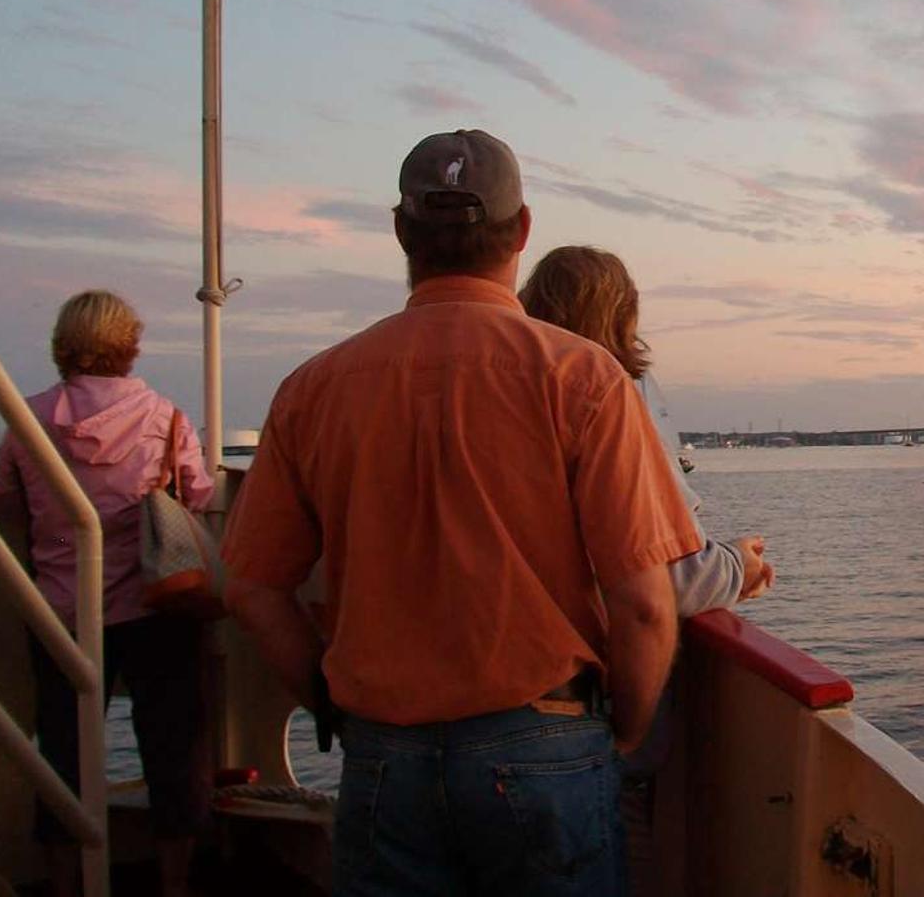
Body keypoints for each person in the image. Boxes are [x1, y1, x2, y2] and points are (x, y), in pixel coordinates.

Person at [222, 129, 699, 897]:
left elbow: (250, 587)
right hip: (549, 742)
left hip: (383, 753)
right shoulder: (585, 380)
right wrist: (625, 730)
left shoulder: (314, 387)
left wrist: (330, 701)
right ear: (522, 232)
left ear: (403, 231)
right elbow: (644, 606)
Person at [0, 290, 213, 897]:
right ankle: (175, 882)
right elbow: (196, 495)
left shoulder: (29, 419)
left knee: (61, 752)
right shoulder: (165, 417)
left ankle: (65, 883)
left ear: (64, 343)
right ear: (129, 344)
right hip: (156, 604)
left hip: (63, 609)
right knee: (172, 746)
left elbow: (6, 500)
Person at [518, 245, 775, 616]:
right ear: (624, 317)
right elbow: (673, 577)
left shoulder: (508, 404)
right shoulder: (613, 403)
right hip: (575, 652)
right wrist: (738, 566)